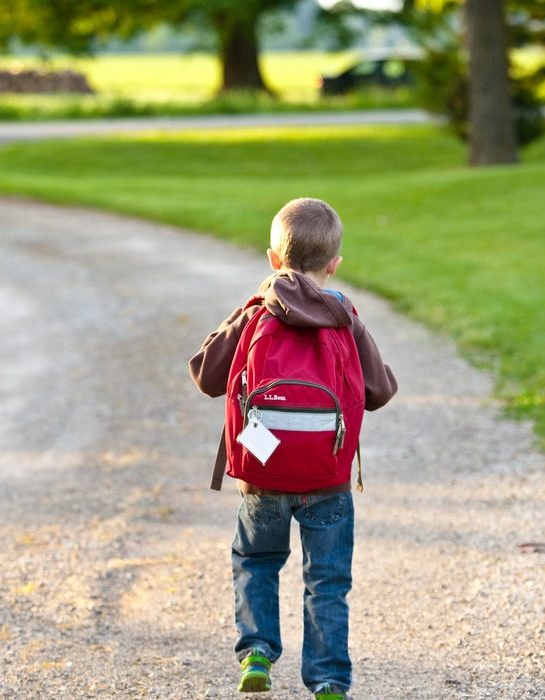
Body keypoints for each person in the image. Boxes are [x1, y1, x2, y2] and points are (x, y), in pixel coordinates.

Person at [188, 197, 397, 700]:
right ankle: (327, 681)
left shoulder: (257, 312)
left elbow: (205, 374)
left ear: (272, 260)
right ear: (334, 264)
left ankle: (257, 651)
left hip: (262, 472)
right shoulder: (344, 313)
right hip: (327, 479)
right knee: (326, 581)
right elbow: (380, 391)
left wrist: (248, 308)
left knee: (256, 561)